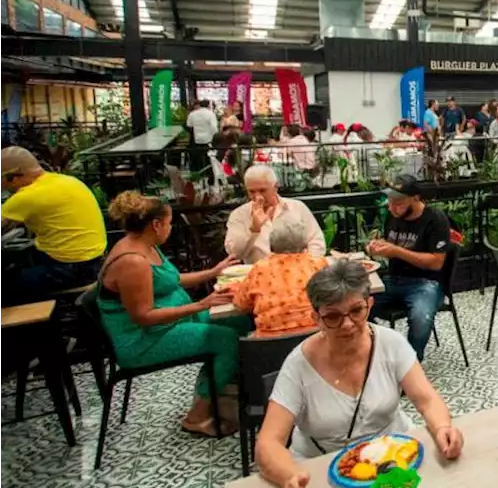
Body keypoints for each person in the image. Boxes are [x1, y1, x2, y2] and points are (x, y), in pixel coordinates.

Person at [256, 261, 463, 488]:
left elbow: (427, 400)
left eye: (356, 311)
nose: (347, 324)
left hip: (394, 460)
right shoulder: (298, 365)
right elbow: (268, 443)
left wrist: (443, 428)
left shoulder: (391, 344)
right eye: (333, 316)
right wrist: (289, 477)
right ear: (316, 318)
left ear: (370, 306)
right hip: (322, 471)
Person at [96, 192, 246, 436]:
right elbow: (143, 316)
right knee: (226, 340)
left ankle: (222, 384)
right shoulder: (132, 261)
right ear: (156, 225)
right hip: (144, 339)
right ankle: (197, 417)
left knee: (240, 318)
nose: (170, 228)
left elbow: (171, 280)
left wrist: (213, 272)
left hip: (173, 322)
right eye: (168, 223)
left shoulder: (146, 244)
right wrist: (201, 305)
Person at [0, 146, 107, 302]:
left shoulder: (27, 196)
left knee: (7, 285)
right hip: (95, 262)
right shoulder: (67, 181)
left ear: (13, 177)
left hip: (68, 268)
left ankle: (31, 322)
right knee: (22, 259)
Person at [363, 175, 453, 360]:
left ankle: (410, 364)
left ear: (415, 198)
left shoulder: (435, 219)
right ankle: (377, 352)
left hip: (427, 283)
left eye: (398, 202)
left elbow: (436, 262)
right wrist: (377, 246)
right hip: (392, 280)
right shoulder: (393, 216)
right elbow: (392, 245)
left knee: (421, 317)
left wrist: (397, 251)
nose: (392, 207)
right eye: (390, 201)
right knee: (355, 304)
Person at [231, 221, 328, 337]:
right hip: (317, 337)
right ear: (305, 245)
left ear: (271, 245)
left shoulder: (260, 268)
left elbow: (240, 305)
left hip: (270, 344)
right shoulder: (318, 264)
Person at [224, 165, 325, 264]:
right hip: (259, 275)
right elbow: (235, 254)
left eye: (262, 190)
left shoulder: (297, 207)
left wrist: (307, 263)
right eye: (252, 192)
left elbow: (317, 242)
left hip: (298, 271)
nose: (257, 197)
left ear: (276, 187)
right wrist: (254, 229)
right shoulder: (239, 215)